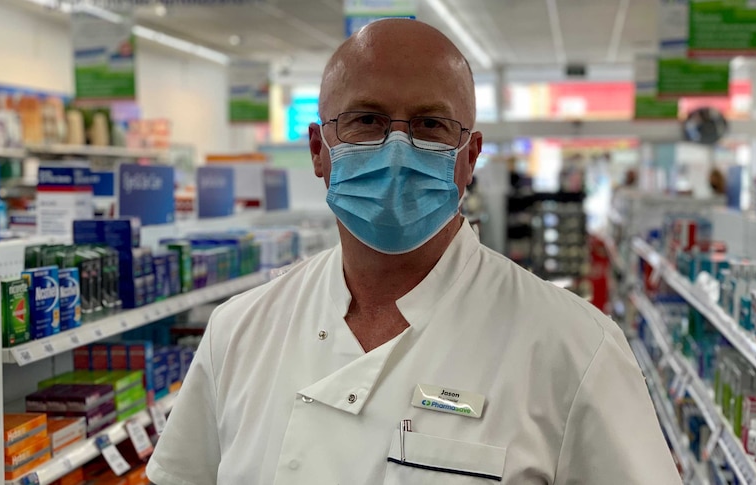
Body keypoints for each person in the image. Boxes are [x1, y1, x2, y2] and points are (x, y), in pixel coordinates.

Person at [147, 19, 681, 485]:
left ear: (468, 157)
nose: (397, 149)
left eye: (430, 124)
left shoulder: (575, 349)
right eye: (367, 120)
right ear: (318, 150)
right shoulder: (238, 332)